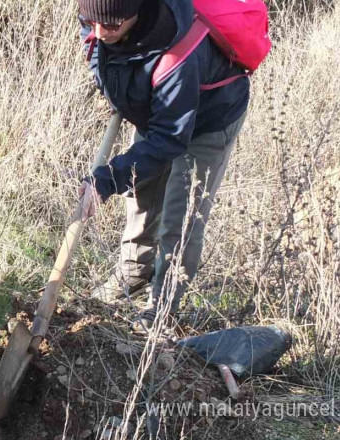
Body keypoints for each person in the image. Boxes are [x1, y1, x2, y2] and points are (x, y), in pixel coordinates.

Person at [76, 0, 250, 333]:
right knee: (142, 193)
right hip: (156, 108)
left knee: (181, 215)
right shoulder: (102, 20)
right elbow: (102, 43)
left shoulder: (178, 52)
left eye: (110, 26)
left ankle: (163, 305)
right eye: (90, 21)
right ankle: (134, 274)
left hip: (208, 118)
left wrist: (106, 180)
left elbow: (170, 139)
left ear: (135, 14)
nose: (98, 33)